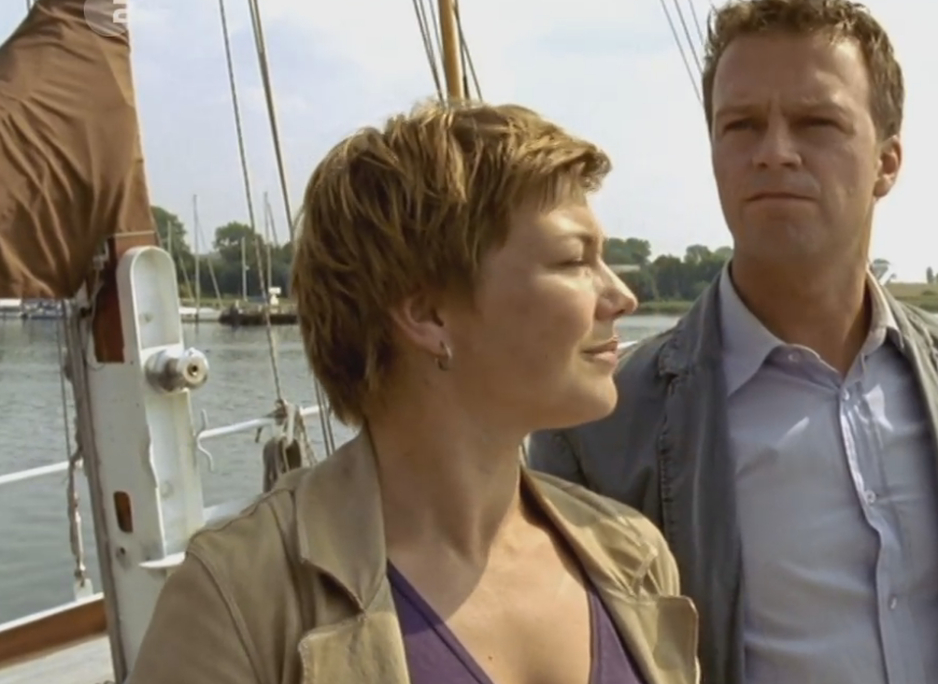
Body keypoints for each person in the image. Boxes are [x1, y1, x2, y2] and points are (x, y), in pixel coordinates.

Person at [528, 0, 938, 684]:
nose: (774, 152)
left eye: (816, 122)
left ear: (887, 162)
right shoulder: (602, 421)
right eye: (741, 125)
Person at [127, 100, 699, 684]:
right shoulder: (240, 596)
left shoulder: (631, 553)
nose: (622, 297)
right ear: (427, 314)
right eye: (575, 260)